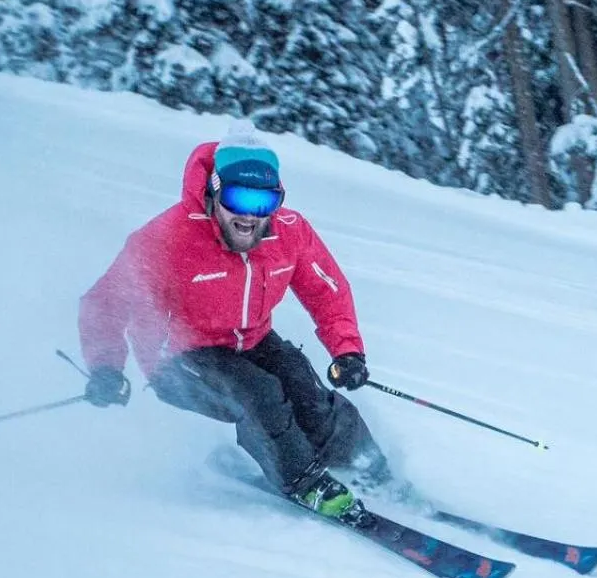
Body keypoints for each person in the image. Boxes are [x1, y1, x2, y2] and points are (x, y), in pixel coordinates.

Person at [77, 121, 389, 519]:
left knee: (301, 382)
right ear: (214, 190)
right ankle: (304, 481)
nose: (250, 217)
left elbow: (327, 291)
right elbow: (106, 302)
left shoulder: (289, 233)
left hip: (250, 339)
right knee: (257, 392)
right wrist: (106, 367)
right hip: (177, 356)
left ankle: (369, 470)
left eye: (263, 205)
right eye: (239, 200)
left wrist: (347, 352)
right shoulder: (167, 239)